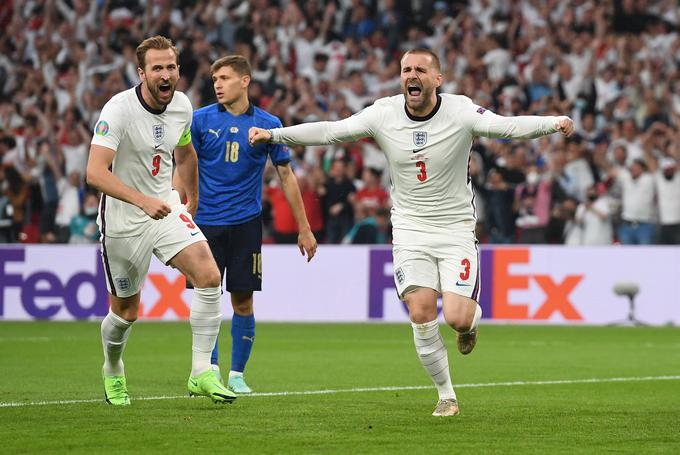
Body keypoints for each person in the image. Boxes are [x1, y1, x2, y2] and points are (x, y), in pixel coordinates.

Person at [249, 48, 574, 416]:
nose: (411, 75)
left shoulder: (461, 111)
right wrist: (275, 135)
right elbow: (330, 131)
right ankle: (446, 395)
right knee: (420, 313)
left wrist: (554, 121)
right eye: (406, 69)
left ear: (438, 79)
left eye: (421, 69)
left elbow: (508, 126)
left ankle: (469, 325)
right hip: (409, 229)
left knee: (456, 317)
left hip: (455, 229)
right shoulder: (383, 114)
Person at [86, 36, 236, 406]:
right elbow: (94, 172)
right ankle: (113, 366)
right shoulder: (118, 110)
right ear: (142, 73)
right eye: (157, 68)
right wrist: (140, 200)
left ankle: (201, 371)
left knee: (209, 276)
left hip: (165, 209)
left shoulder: (182, 106)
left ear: (178, 71)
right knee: (126, 312)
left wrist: (193, 197)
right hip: (124, 219)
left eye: (171, 67)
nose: (165, 74)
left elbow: (185, 155)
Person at [173, 55, 317, 394]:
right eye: (215, 80)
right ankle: (207, 369)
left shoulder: (268, 124)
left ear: (245, 80)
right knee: (206, 299)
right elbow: (182, 166)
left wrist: (304, 227)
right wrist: (177, 209)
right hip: (203, 224)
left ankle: (237, 374)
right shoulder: (200, 120)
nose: (218, 85)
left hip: (245, 225)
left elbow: (286, 175)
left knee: (242, 303)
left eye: (224, 78)